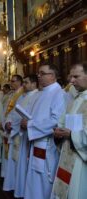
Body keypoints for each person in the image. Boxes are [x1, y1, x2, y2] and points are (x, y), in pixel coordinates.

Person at [22, 64, 66, 199]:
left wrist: (30, 124)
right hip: (37, 142)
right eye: (38, 73)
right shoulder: (43, 92)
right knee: (34, 181)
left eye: (42, 73)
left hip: (47, 145)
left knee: (44, 181)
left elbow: (56, 120)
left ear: (52, 76)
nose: (39, 76)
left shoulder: (59, 93)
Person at [51, 62, 87, 199]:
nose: (71, 81)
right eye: (71, 77)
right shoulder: (75, 100)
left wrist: (71, 134)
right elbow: (62, 121)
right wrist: (58, 132)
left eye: (76, 76)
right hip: (67, 153)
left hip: (81, 159)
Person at [11, 75, 39, 198]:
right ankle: (20, 188)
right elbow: (14, 112)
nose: (24, 85)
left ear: (34, 84)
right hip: (21, 131)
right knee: (20, 164)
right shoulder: (23, 96)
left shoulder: (36, 95)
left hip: (28, 133)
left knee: (24, 165)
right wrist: (8, 122)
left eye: (26, 82)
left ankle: (23, 190)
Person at [3, 75, 23, 191]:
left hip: (15, 129)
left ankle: (12, 181)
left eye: (13, 81)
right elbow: (9, 111)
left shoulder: (21, 95)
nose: (11, 83)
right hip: (10, 126)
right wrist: (5, 121)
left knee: (13, 157)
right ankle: (8, 178)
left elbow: (18, 113)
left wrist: (10, 123)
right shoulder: (13, 94)